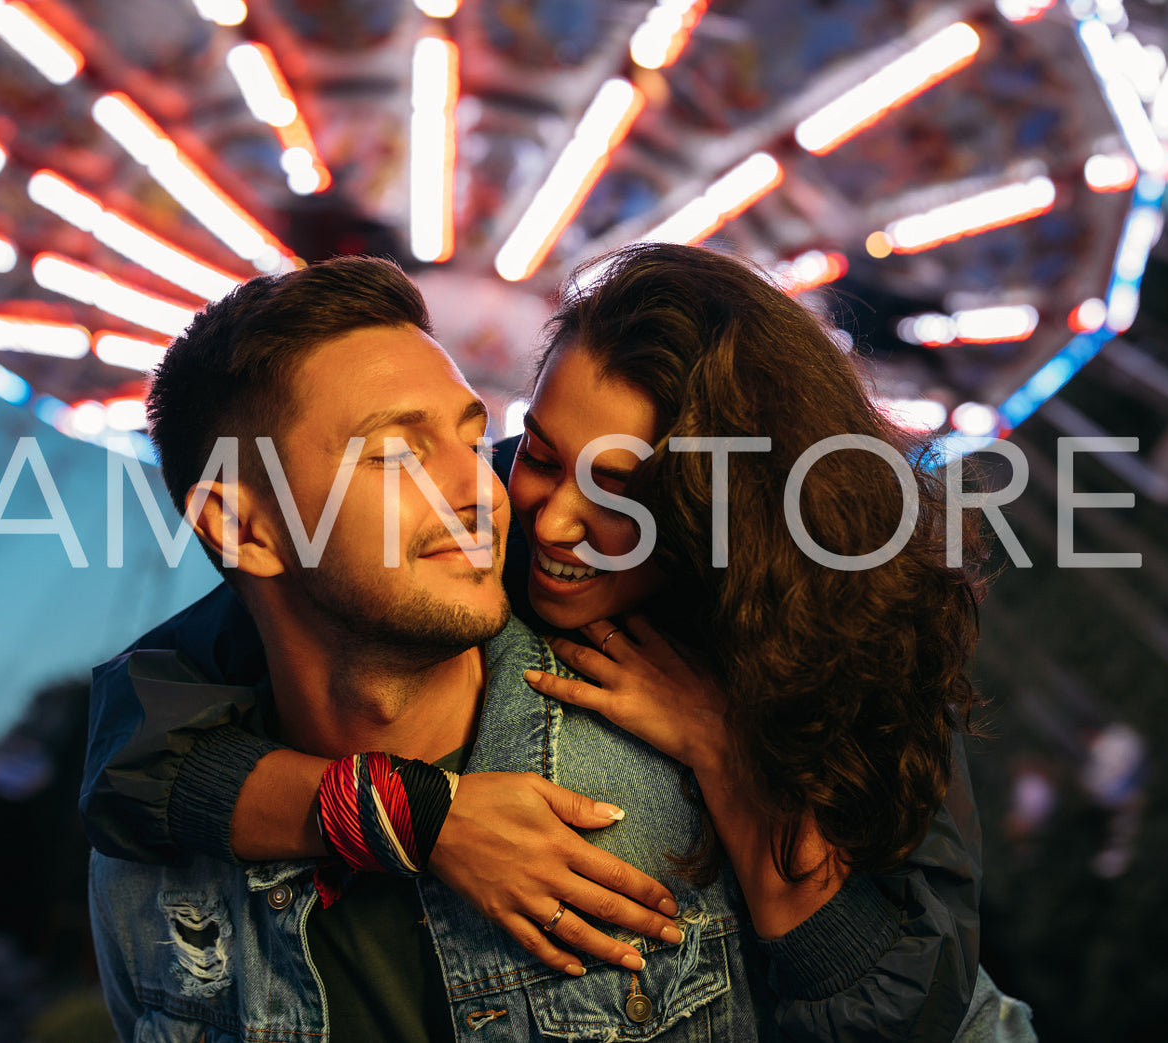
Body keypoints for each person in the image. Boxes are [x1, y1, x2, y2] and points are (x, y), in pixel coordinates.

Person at [86, 247, 1034, 1041]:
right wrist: (424, 815)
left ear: (722, 516)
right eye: (536, 452)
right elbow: (139, 731)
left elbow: (917, 994)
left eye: (629, 495)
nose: (540, 522)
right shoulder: (472, 517)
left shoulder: (839, 632)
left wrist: (733, 756)